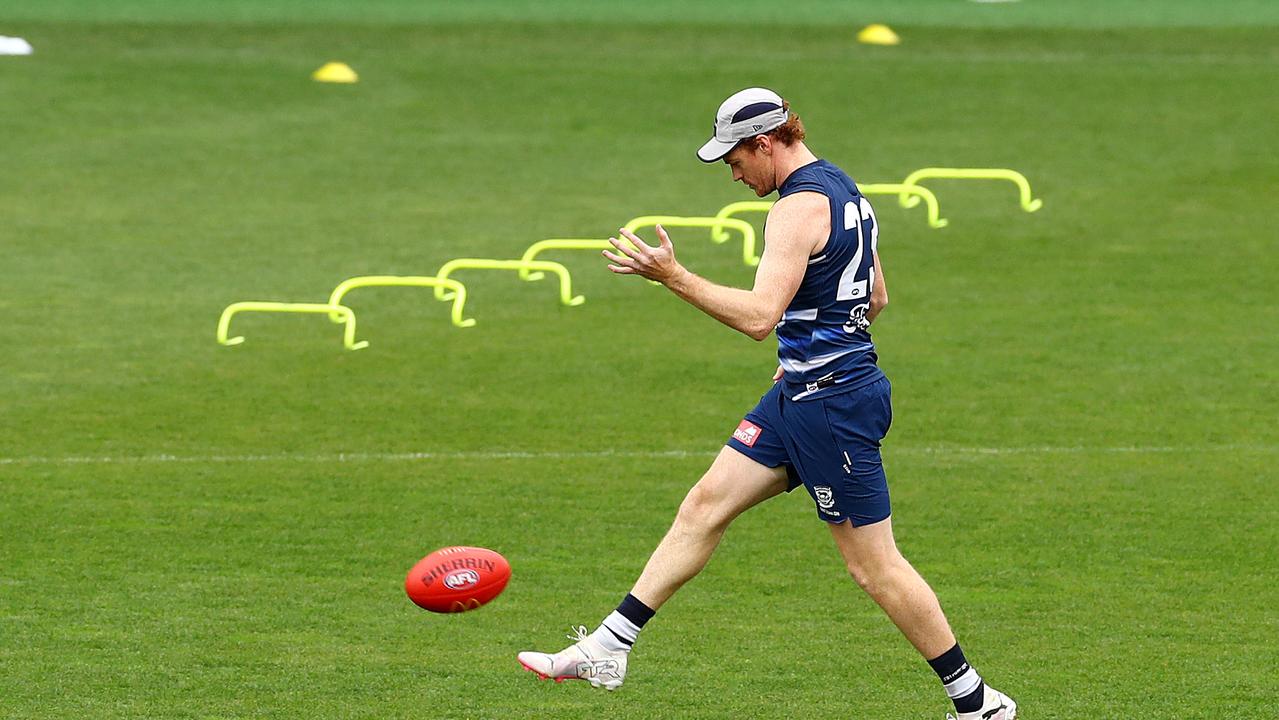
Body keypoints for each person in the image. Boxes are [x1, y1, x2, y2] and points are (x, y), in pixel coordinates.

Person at [517, 88, 1017, 720]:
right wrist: (821, 335)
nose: (732, 173)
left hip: (829, 406)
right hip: (805, 394)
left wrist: (672, 277)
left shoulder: (794, 209)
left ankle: (977, 704)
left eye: (734, 159)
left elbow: (758, 318)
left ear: (765, 142)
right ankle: (610, 645)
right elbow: (878, 297)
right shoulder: (845, 191)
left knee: (874, 568)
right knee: (704, 505)